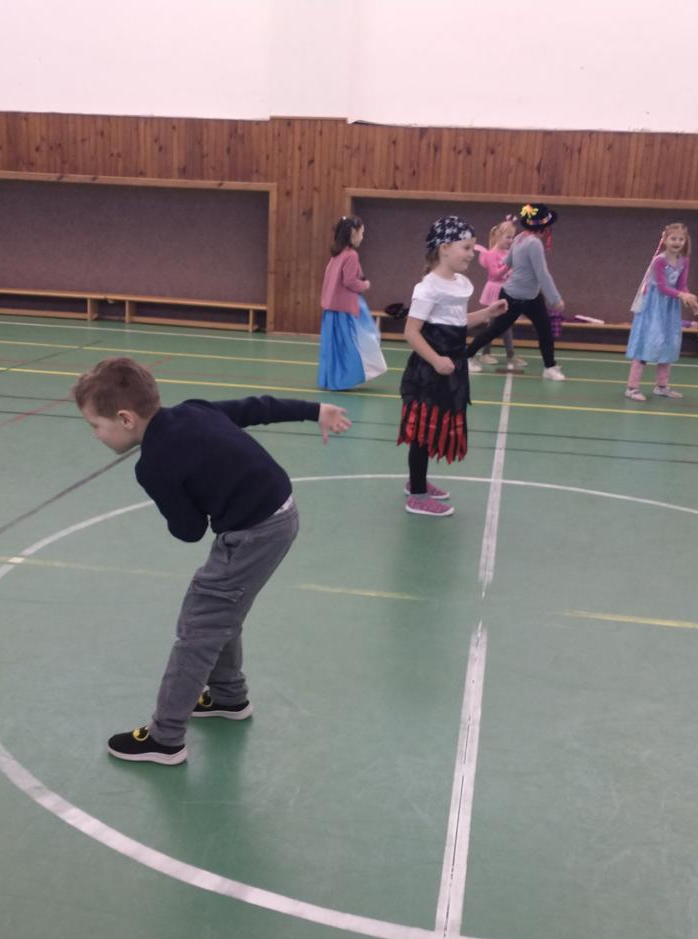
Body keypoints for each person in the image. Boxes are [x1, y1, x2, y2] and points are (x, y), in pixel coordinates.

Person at [73, 357, 352, 763]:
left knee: (199, 626)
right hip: (277, 510)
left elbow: (189, 529)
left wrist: (176, 503)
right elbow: (257, 408)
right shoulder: (193, 410)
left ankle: (165, 738)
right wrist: (315, 410)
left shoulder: (153, 465)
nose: (95, 434)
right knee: (220, 609)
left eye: (95, 425)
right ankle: (228, 697)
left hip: (256, 531)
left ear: (126, 419)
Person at [398, 216, 507, 517]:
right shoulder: (428, 288)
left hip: (450, 367)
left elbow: (457, 322)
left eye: (473, 248)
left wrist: (487, 313)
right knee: (422, 431)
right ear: (444, 248)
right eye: (466, 248)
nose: (472, 254)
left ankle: (418, 481)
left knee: (434, 428)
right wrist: (435, 360)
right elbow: (411, 332)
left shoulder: (459, 284)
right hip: (429, 372)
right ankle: (417, 494)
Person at [464, 203, 566, 381]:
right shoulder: (533, 243)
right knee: (496, 329)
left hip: (531, 297)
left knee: (545, 330)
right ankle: (467, 357)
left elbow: (508, 262)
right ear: (543, 227)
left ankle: (549, 366)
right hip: (515, 297)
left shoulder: (520, 237)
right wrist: (555, 299)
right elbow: (542, 273)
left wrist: (505, 269)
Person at [624, 223, 698, 401]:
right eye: (673, 238)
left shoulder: (684, 261)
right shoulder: (659, 261)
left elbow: (681, 285)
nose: (677, 242)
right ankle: (632, 387)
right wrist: (682, 295)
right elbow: (662, 287)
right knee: (647, 342)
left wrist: (690, 299)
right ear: (665, 240)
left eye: (681, 239)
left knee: (669, 342)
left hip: (670, 308)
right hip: (653, 307)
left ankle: (662, 386)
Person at [317, 215, 386, 390]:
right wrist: (364, 285)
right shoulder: (351, 255)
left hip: (331, 309)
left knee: (333, 347)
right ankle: (344, 378)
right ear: (353, 234)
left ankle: (332, 378)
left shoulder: (337, 255)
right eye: (361, 233)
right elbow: (349, 281)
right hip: (343, 309)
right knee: (350, 345)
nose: (362, 237)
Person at [471, 218, 525, 372]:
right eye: (508, 237)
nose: (511, 241)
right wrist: (509, 265)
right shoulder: (491, 254)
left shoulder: (508, 252)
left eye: (513, 237)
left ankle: (505, 354)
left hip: (508, 290)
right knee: (498, 324)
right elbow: (495, 274)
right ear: (498, 236)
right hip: (496, 290)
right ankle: (489, 353)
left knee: (503, 323)